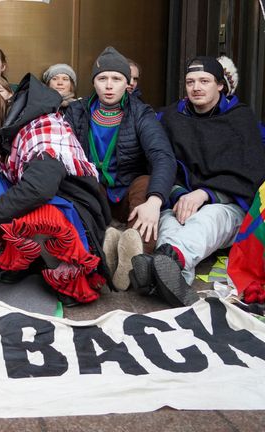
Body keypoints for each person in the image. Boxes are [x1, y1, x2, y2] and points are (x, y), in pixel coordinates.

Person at [0, 77, 110, 304]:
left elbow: (39, 190)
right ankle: (13, 257)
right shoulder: (11, 122)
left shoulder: (42, 131)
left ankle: (65, 270)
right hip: (49, 196)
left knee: (36, 217)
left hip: (76, 210)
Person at [130, 57, 265, 307]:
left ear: (220, 86)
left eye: (204, 81)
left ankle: (159, 267)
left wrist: (205, 194)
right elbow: (162, 162)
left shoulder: (240, 118)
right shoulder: (173, 117)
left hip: (226, 206)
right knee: (170, 223)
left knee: (206, 220)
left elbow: (250, 172)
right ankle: (173, 278)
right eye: (190, 82)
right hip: (181, 201)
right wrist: (180, 193)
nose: (196, 87)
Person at [64, 46, 175, 291]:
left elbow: (163, 157)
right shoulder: (76, 111)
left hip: (128, 192)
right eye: (102, 78)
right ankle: (104, 249)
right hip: (96, 191)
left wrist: (155, 201)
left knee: (145, 185)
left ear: (128, 84)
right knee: (83, 185)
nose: (109, 85)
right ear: (94, 83)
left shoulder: (140, 113)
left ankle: (134, 261)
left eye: (117, 79)